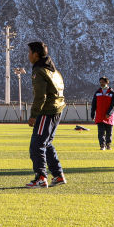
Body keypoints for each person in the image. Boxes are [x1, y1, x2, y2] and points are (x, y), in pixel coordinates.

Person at [25, 41, 67, 188]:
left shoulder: (39, 70)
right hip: (57, 109)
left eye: (29, 52)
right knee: (46, 144)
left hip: (47, 112)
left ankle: (41, 177)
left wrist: (34, 115)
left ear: (36, 54)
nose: (28, 55)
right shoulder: (53, 69)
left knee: (37, 145)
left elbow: (40, 96)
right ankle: (58, 175)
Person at [90, 77, 114, 150]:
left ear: (107, 82)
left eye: (102, 82)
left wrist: (109, 113)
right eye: (100, 82)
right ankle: (102, 145)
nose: (101, 83)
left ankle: (108, 145)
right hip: (100, 115)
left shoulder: (112, 92)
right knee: (101, 132)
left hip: (109, 116)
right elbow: (94, 104)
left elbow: (113, 105)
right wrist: (92, 114)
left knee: (109, 132)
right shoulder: (97, 92)